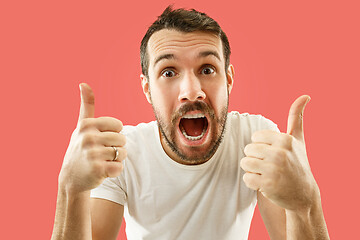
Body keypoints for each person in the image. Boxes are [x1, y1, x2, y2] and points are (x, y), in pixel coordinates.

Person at [51, 6, 330, 240]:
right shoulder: (122, 153)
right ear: (147, 89)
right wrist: (71, 189)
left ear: (228, 79)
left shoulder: (255, 139)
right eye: (169, 71)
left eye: (207, 69)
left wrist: (306, 201)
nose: (191, 90)